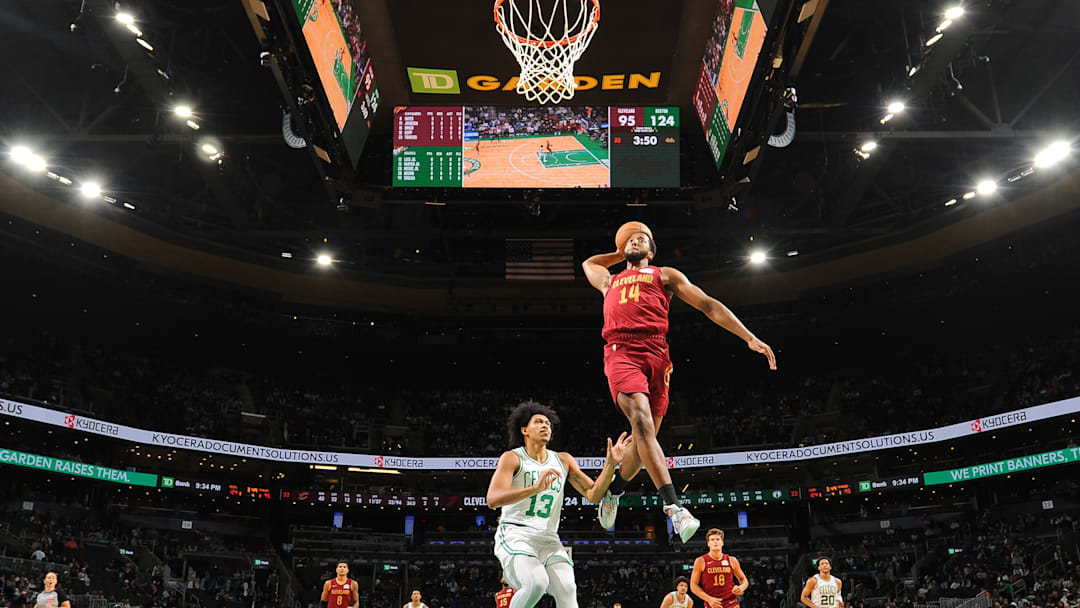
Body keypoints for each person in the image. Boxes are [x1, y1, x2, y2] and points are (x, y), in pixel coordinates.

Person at [583, 230, 776, 541]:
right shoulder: (609, 280)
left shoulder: (665, 275)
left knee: (644, 439)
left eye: (642, 238)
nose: (635, 240)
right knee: (642, 424)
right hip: (621, 351)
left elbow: (708, 305)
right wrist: (621, 251)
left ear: (652, 250)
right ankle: (675, 507)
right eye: (630, 238)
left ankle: (614, 491)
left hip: (658, 354)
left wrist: (748, 337)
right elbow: (589, 262)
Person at [487, 402, 632, 608]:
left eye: (548, 423)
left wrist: (610, 464)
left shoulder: (563, 460)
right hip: (515, 534)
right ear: (524, 430)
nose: (545, 425)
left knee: (567, 589)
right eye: (538, 422)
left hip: (548, 538)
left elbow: (593, 494)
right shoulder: (512, 458)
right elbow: (493, 499)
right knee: (536, 583)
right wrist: (534, 489)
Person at [690, 529, 748, 608]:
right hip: (712, 602)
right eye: (712, 540)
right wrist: (709, 599)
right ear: (708, 543)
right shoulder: (700, 561)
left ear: (722, 543)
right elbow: (693, 585)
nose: (715, 542)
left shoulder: (732, 560)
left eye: (717, 539)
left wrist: (741, 588)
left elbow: (743, 580)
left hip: (730, 601)